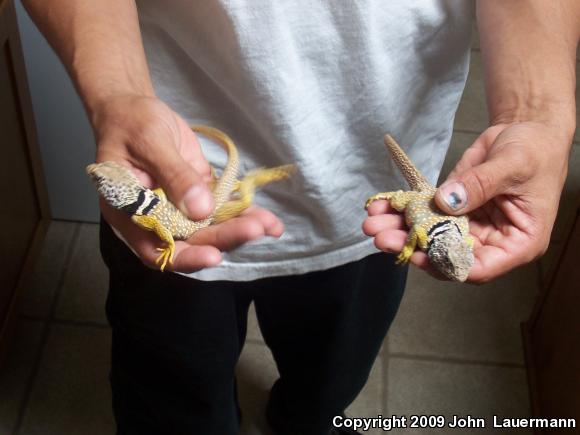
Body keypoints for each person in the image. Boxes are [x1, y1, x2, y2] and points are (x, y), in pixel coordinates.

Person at [22, 0, 578, 434]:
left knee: (329, 390)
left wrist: (538, 112)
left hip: (370, 208)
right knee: (169, 408)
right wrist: (114, 92)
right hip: (167, 169)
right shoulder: (158, 210)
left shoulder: (412, 221)